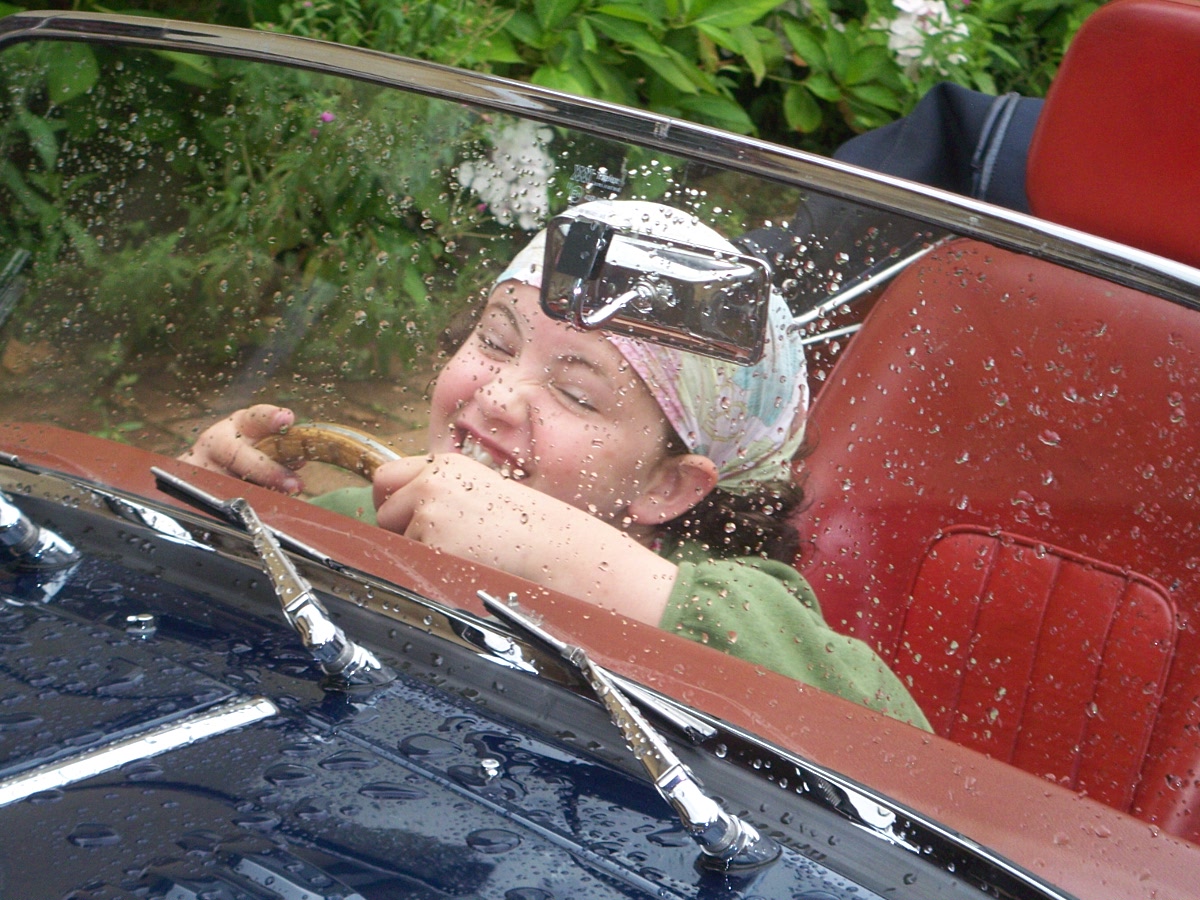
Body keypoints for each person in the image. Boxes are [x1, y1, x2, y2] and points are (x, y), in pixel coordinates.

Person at [181, 199, 929, 729]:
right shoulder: (368, 515)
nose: (498, 393)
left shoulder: (733, 604)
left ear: (669, 485)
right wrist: (197, 508)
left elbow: (892, 736)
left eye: (575, 393)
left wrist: (566, 559)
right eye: (495, 341)